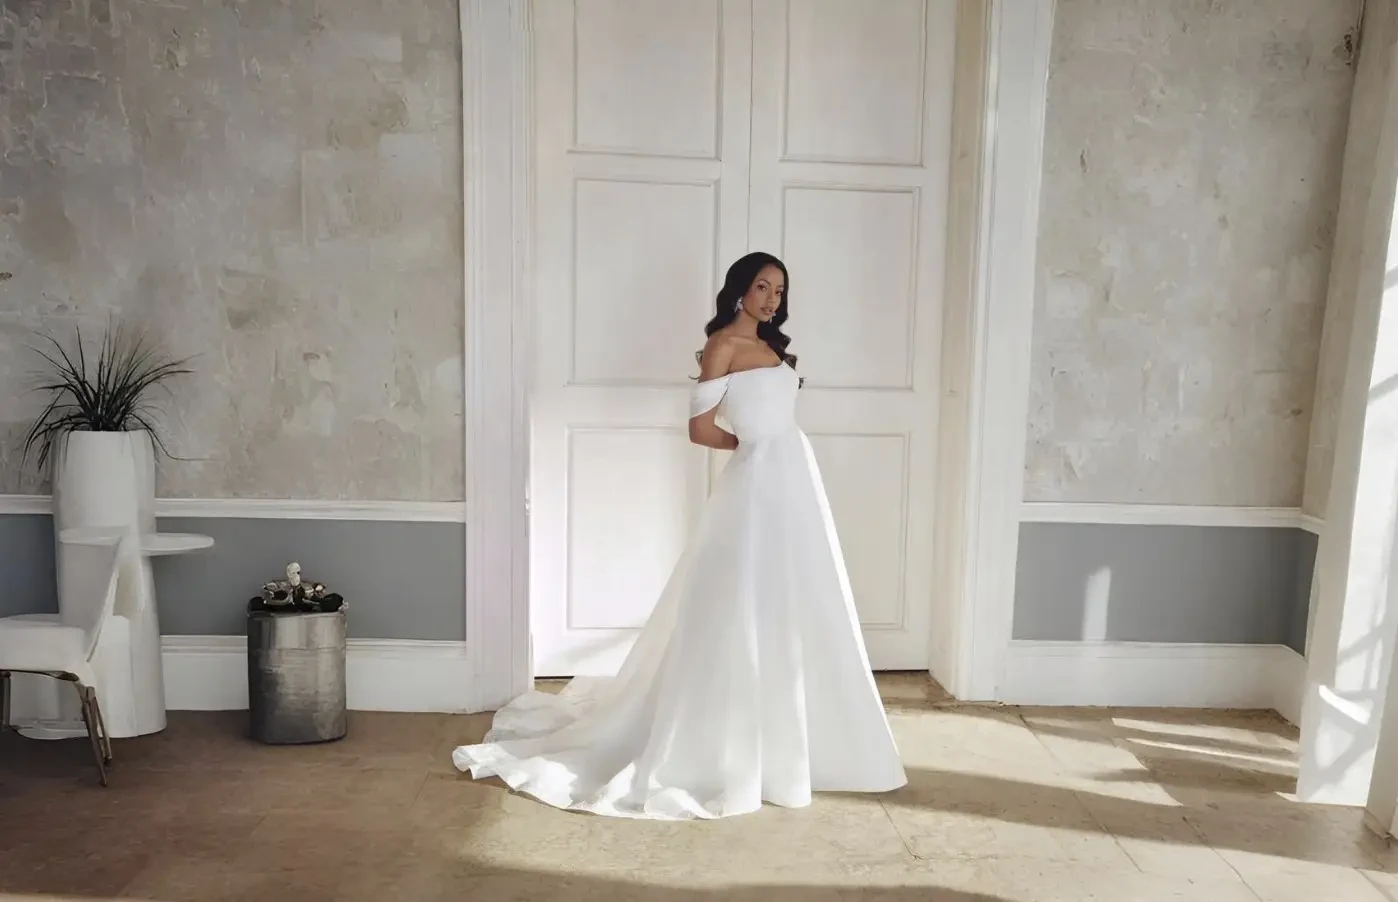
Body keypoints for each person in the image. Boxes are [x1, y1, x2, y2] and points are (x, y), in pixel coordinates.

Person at [452, 252, 907, 819]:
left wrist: (773, 449)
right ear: (739, 290)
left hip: (796, 479)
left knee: (798, 597)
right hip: (759, 481)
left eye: (780, 290)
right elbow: (699, 429)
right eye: (762, 287)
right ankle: (721, 734)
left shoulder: (774, 349)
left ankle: (795, 733)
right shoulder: (723, 346)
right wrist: (749, 448)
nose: (772, 298)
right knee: (737, 599)